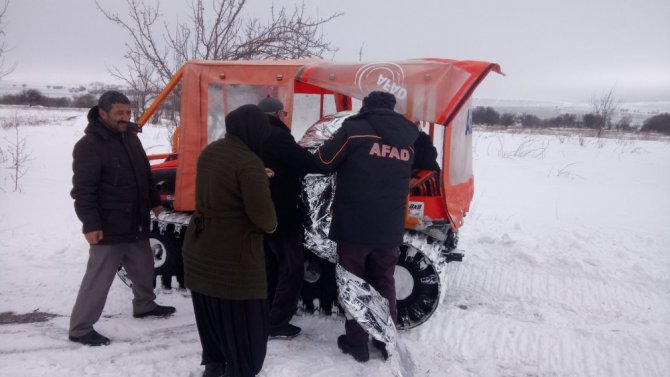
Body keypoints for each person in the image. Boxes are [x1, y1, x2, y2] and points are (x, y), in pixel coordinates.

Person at [314, 91, 418, 362]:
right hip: (389, 227)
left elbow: (324, 162)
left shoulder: (353, 130)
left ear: (366, 107)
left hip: (354, 226)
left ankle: (356, 344)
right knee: (385, 282)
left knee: (354, 284)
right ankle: (386, 341)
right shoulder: (409, 136)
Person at [69, 91, 176, 347]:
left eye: (128, 113)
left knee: (143, 266)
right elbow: (83, 191)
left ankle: (144, 305)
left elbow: (145, 176)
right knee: (99, 278)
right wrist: (91, 224)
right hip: (108, 227)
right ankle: (80, 328)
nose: (125, 118)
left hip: (135, 222)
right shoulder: (89, 146)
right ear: (102, 113)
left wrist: (155, 203)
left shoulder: (130, 138)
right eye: (119, 113)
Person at [182, 104, 277, 377]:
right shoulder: (249, 162)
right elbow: (266, 220)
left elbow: (222, 189)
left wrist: (257, 179)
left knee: (213, 316)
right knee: (244, 323)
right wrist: (260, 181)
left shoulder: (211, 151)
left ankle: (215, 366)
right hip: (233, 257)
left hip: (201, 248)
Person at [258, 96, 319, 339]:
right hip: (282, 212)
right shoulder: (279, 137)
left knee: (270, 266)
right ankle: (277, 322)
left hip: (261, 211)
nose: (285, 117)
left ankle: (265, 313)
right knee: (291, 268)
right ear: (276, 114)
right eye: (283, 114)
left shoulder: (254, 136)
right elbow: (306, 163)